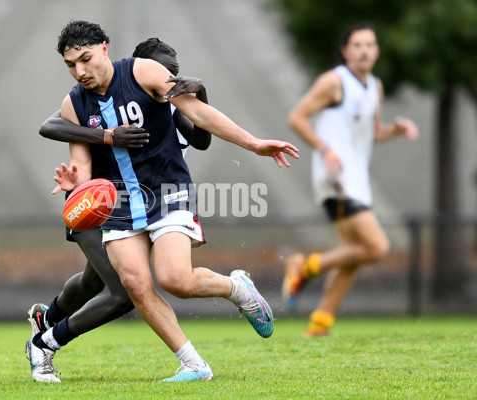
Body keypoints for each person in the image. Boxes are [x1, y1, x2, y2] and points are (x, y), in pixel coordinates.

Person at [27, 20, 299, 383]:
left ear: (105, 48)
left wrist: (254, 143)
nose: (80, 71)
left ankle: (237, 288)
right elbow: (82, 164)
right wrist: (79, 183)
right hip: (119, 202)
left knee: (176, 280)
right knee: (135, 286)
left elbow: (200, 118)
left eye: (86, 59)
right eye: (70, 65)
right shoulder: (74, 102)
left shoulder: (143, 71)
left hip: (168, 192)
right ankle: (193, 364)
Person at [25, 38, 212, 383]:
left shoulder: (171, 109)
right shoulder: (97, 99)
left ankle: (47, 317)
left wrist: (199, 94)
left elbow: (202, 140)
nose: (165, 84)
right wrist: (107, 137)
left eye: (172, 77)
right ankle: (43, 343)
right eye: (162, 76)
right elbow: (50, 125)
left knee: (92, 280)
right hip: (94, 202)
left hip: (139, 207)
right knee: (122, 293)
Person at [282, 22, 418, 337]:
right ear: (345, 51)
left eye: (370, 45)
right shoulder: (334, 81)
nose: (364, 50)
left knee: (353, 254)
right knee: (377, 247)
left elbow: (374, 131)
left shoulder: (375, 87)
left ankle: (320, 324)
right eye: (357, 45)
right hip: (335, 178)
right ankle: (304, 267)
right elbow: (296, 117)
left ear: (377, 51)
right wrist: (325, 149)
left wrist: (396, 130)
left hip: (357, 179)